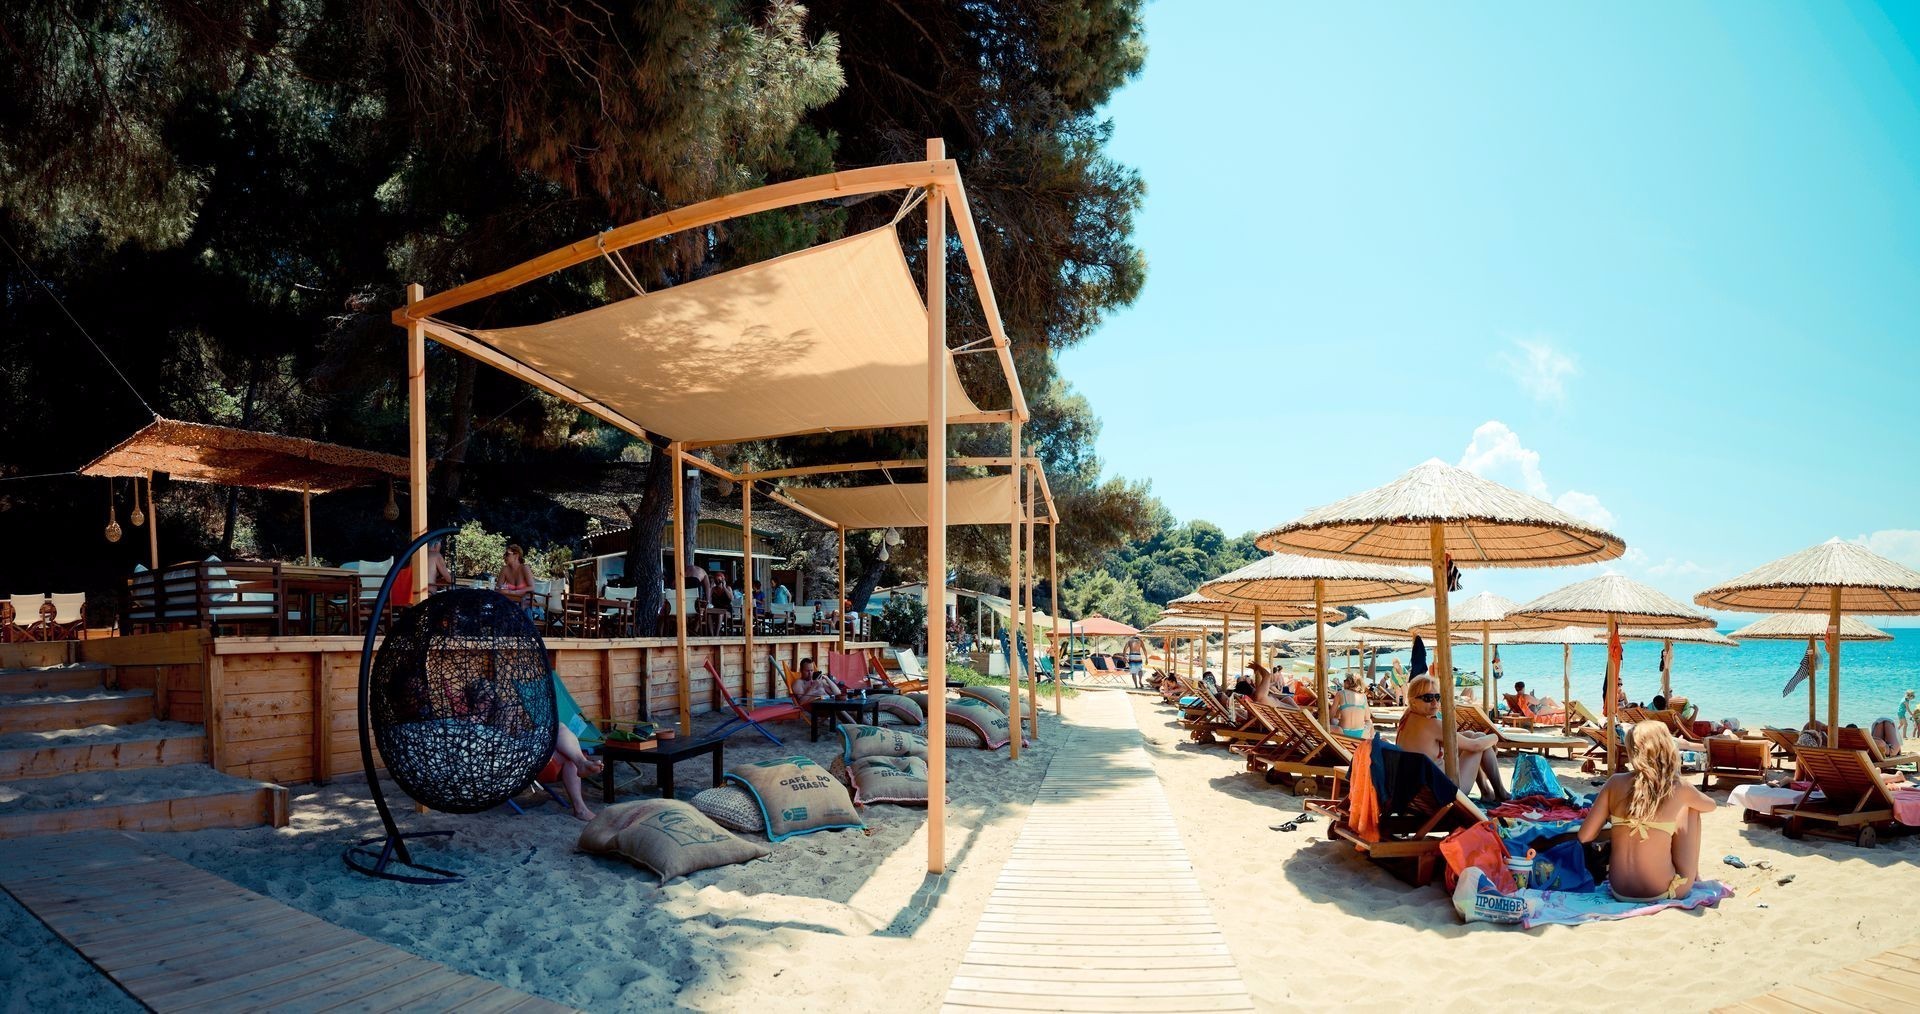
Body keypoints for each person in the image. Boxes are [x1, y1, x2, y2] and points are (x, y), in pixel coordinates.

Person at [1578, 721, 1717, 902]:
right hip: (1661, 891)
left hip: (1619, 891)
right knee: (1692, 809)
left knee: (1681, 807)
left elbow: (1584, 836)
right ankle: (1695, 875)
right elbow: (1711, 806)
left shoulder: (1614, 782)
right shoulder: (1677, 786)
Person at [1398, 674, 1509, 803]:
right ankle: (1500, 793)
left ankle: (1488, 792)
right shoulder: (1433, 725)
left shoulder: (1406, 718)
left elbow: (1449, 742)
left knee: (1474, 736)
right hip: (1444, 794)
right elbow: (1476, 746)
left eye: (1437, 697)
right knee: (1479, 742)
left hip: (1420, 792)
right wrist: (1495, 737)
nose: (1435, 703)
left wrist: (1483, 740)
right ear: (1413, 702)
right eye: (1428, 698)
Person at [547, 723, 604, 822]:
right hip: (521, 757)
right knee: (569, 755)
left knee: (559, 726)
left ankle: (581, 762)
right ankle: (580, 809)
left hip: (534, 743)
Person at [391, 540, 453, 608]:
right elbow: (449, 579)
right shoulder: (436, 555)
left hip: (413, 594)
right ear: (436, 545)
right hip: (429, 593)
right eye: (440, 546)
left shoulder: (416, 555)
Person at [495, 543, 535, 607]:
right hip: (510, 602)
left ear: (516, 555)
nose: (504, 557)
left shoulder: (524, 568)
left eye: (507, 554)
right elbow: (497, 588)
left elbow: (532, 587)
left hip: (526, 603)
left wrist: (514, 592)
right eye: (504, 554)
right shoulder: (505, 569)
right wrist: (503, 590)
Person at [1337, 673, 1370, 739]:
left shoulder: (1341, 693)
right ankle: (1371, 741)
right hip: (1360, 733)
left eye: (1345, 680)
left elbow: (1331, 715)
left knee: (1331, 722)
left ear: (1348, 683)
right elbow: (1367, 718)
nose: (1344, 682)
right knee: (1370, 723)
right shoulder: (1363, 696)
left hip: (1343, 733)